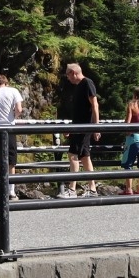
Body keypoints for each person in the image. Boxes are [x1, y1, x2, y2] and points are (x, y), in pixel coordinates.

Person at [58, 62, 100, 196]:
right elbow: (79, 111)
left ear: (74, 73)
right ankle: (92, 189)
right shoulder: (78, 87)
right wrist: (71, 127)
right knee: (84, 156)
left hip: (84, 126)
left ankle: (71, 189)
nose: (68, 78)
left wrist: (96, 127)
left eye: (68, 75)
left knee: (73, 155)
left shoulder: (87, 83)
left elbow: (95, 105)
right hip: (78, 126)